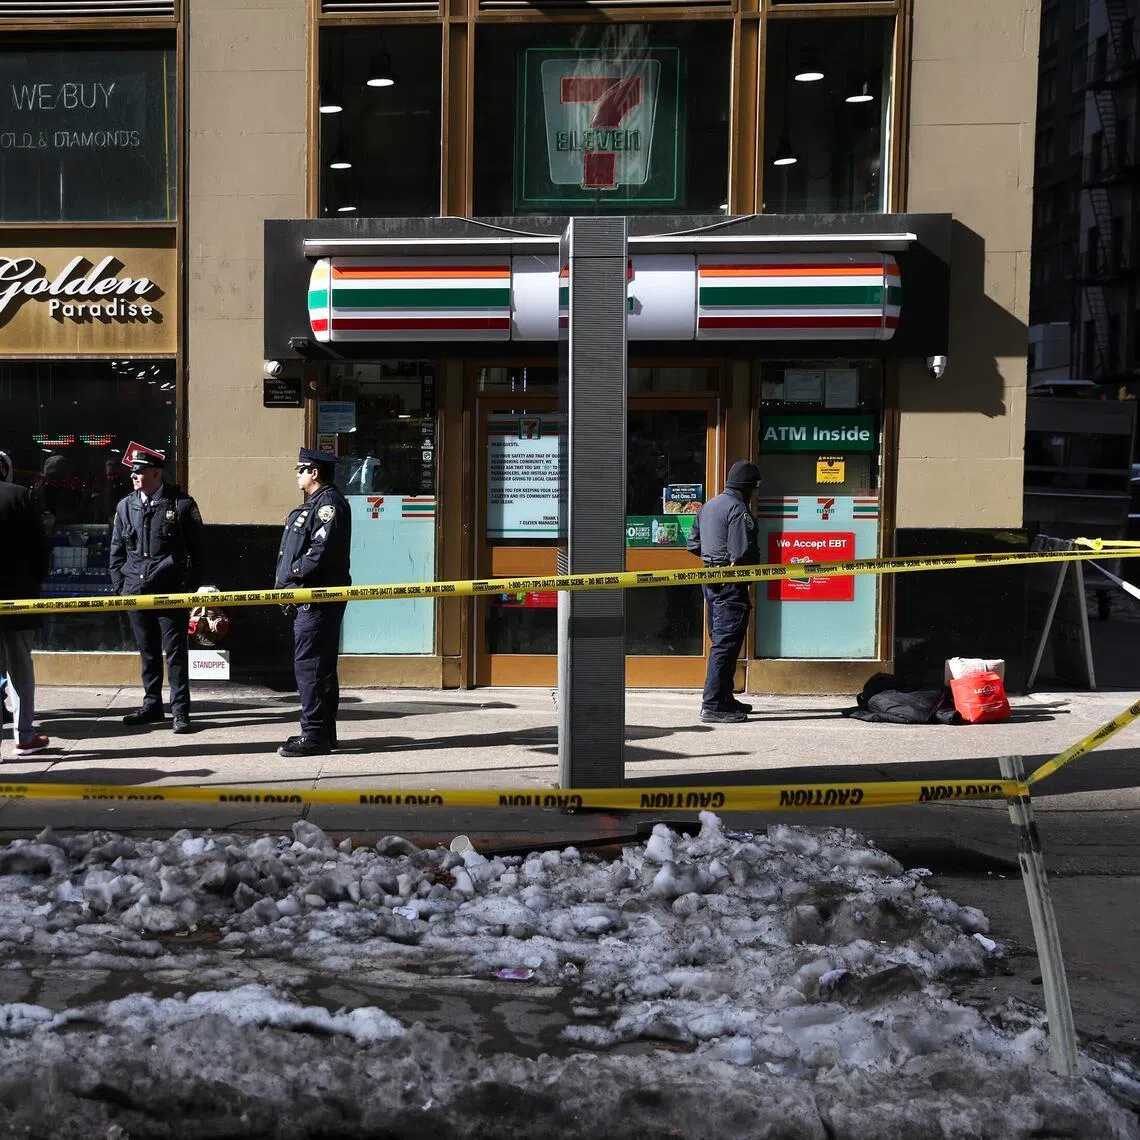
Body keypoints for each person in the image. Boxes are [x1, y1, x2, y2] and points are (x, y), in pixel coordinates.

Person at [109, 450, 205, 734]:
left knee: (175, 652)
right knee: (147, 651)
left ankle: (180, 711)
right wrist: (120, 587)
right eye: (133, 472)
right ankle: (152, 705)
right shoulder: (126, 506)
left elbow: (198, 551)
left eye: (140, 471)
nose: (134, 476)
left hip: (169, 589)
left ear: (156, 473)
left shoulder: (181, 504)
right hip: (135, 589)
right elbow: (116, 550)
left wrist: (190, 586)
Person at [274, 448, 352, 757]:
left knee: (311, 667)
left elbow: (319, 553)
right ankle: (323, 731)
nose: (297, 474)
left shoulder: (328, 505)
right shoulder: (315, 505)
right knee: (318, 666)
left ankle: (315, 734)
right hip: (310, 597)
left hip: (317, 598)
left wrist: (293, 576)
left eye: (300, 469)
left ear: (314, 472)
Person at [687, 460, 761, 724]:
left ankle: (725, 697)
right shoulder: (738, 509)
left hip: (711, 580)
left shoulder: (709, 505)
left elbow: (693, 543)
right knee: (726, 644)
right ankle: (714, 704)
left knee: (721, 640)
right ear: (749, 487)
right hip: (731, 583)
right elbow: (741, 552)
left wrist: (712, 556)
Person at [0, 449, 51, 759]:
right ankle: (24, 735)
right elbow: (39, 548)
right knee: (20, 668)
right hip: (19, 599)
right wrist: (35, 582)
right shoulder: (21, 496)